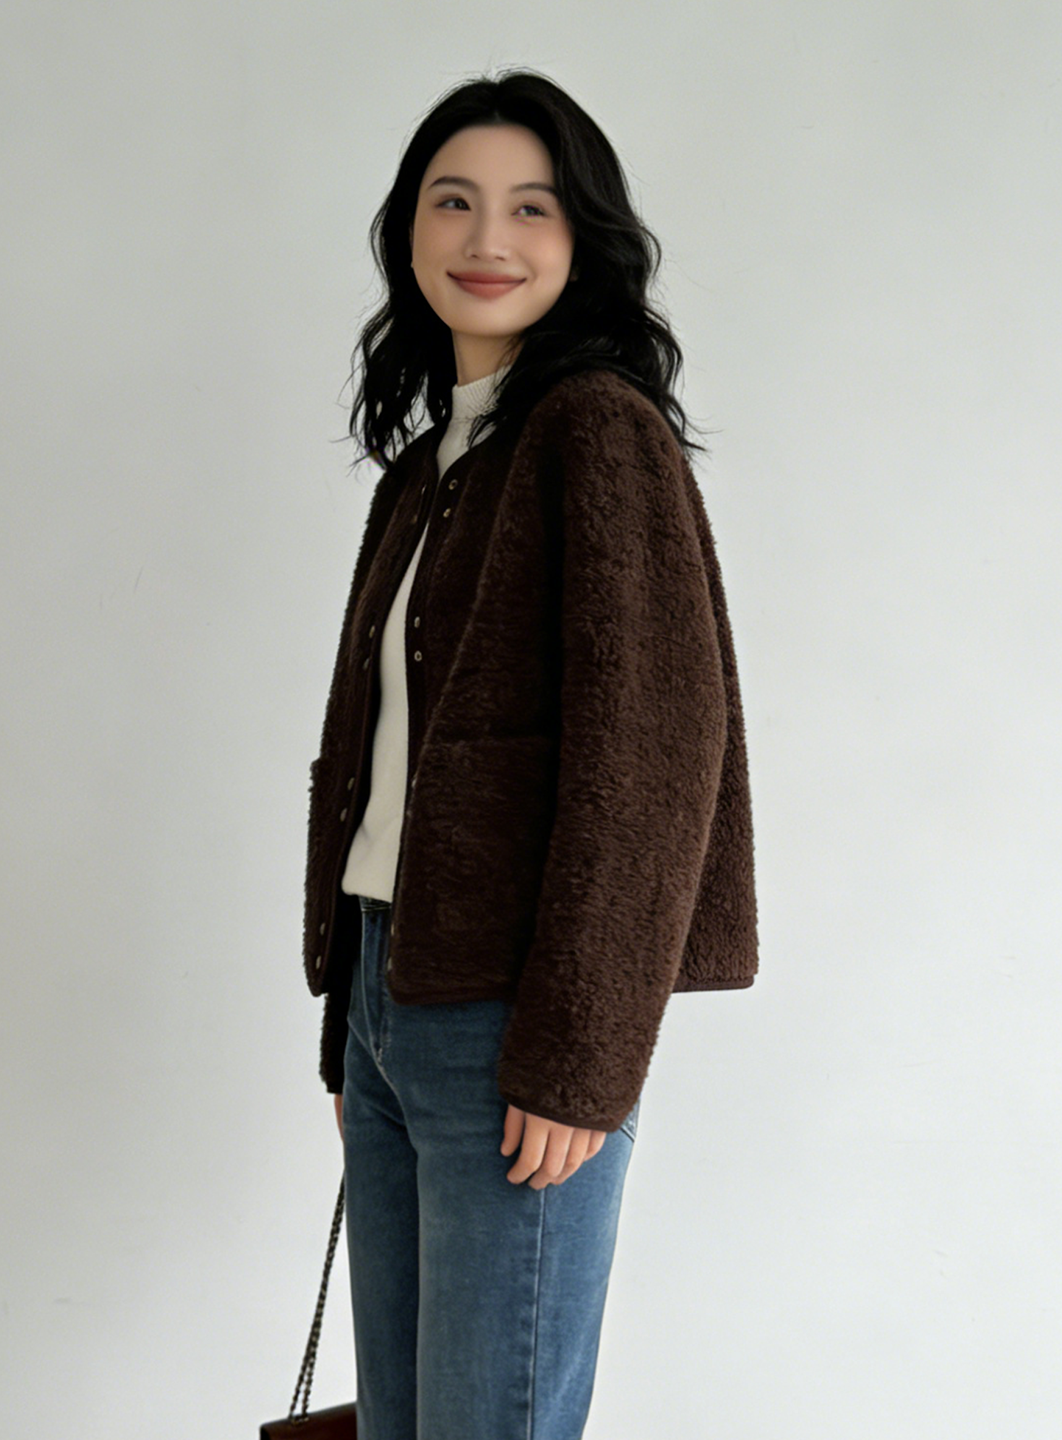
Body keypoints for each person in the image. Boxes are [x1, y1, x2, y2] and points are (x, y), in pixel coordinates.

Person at [302, 67, 759, 1440]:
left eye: (531, 208)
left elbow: (654, 761)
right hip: (390, 998)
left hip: (514, 1022)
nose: (487, 238)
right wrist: (351, 1036)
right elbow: (385, 768)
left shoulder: (595, 433)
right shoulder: (431, 466)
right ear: (409, 233)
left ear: (583, 238)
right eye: (453, 203)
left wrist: (579, 1058)